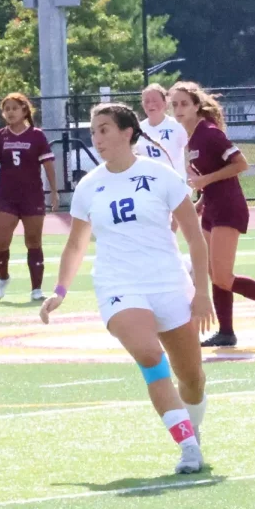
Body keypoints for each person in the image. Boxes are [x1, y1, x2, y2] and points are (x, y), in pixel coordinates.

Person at [40, 102, 213, 474]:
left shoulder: (162, 175)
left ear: (126, 132)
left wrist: (202, 293)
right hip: (118, 283)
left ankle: (192, 425)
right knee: (150, 356)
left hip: (167, 281)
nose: (96, 138)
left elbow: (196, 240)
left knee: (192, 378)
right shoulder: (90, 186)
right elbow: (75, 244)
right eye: (93, 131)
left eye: (103, 129)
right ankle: (187, 447)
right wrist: (60, 290)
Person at [169, 81, 255, 348]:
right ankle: (226, 331)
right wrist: (201, 201)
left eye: (184, 103)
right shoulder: (191, 137)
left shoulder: (210, 133)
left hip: (229, 207)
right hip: (213, 207)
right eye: (175, 104)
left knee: (222, 276)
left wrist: (206, 182)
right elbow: (209, 180)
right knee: (213, 271)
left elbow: (241, 164)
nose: (178, 109)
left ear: (196, 106)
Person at [0, 93, 58, 301]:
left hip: (32, 197)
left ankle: (36, 289)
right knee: (1, 243)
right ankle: (3, 277)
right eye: (6, 109)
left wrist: (54, 192)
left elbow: (48, 165)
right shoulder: (0, 137)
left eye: (14, 108)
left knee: (33, 241)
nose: (10, 112)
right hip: (6, 198)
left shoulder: (37, 136)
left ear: (24, 110)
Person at [135, 83, 190, 180]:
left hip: (174, 183)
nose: (151, 105)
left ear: (165, 102)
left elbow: (190, 151)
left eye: (155, 100)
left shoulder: (177, 126)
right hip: (149, 184)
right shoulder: (138, 129)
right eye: (146, 101)